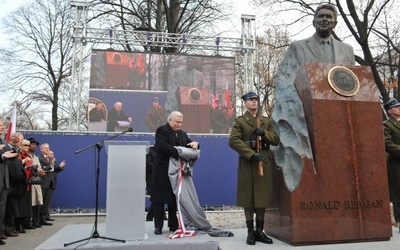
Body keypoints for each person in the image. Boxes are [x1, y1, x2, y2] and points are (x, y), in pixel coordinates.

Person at [271, 3, 355, 191]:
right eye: (321, 16)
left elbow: (352, 82)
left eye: (328, 16)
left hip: (338, 116)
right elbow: (283, 76)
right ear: (314, 21)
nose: (324, 19)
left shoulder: (347, 50)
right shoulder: (298, 47)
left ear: (335, 22)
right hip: (306, 116)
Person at [229, 91, 280, 245]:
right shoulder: (240, 121)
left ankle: (260, 231)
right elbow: (233, 141)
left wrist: (263, 133)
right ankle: (250, 231)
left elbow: (276, 140)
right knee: (249, 198)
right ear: (245, 103)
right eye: (250, 100)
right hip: (248, 163)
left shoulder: (265, 121)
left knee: (262, 197)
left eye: (256, 100)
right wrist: (251, 154)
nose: (254, 102)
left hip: (263, 162)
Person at [150, 111, 199, 235]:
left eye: (181, 122)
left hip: (177, 171)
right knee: (159, 199)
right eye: (177, 122)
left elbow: (189, 144)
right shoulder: (161, 130)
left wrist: (196, 144)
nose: (179, 124)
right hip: (162, 170)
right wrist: (179, 152)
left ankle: (173, 224)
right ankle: (158, 226)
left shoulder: (182, 134)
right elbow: (162, 147)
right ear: (170, 120)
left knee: (174, 198)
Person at [3, 132, 25, 238]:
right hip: (7, 183)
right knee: (6, 209)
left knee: (11, 209)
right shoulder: (5, 148)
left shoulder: (17, 150)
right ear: (14, 138)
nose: (22, 141)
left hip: (15, 185)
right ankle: (5, 230)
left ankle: (8, 229)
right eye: (21, 139)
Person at [0, 121, 18, 245]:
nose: (2, 127)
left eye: (2, 125)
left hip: (4, 181)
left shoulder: (3, 142)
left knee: (2, 210)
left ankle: (1, 232)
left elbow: (10, 153)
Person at [383, 98, 400, 232]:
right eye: (397, 107)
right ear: (390, 111)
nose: (399, 108)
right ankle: (399, 219)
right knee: (398, 192)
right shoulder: (387, 125)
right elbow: (387, 144)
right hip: (396, 163)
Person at [38, 143, 65, 226]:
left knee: (46, 202)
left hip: (51, 182)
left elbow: (55, 170)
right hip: (43, 182)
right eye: (46, 148)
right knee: (41, 202)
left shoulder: (50, 158)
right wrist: (51, 165)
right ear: (41, 150)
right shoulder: (39, 158)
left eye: (48, 148)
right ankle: (39, 219)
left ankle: (44, 218)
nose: (48, 150)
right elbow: (41, 169)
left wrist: (60, 167)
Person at [26, 138, 43, 229]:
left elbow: (39, 168)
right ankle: (28, 221)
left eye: (35, 145)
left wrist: (41, 172)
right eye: (32, 144)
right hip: (29, 182)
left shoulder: (35, 157)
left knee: (38, 202)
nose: (34, 146)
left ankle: (36, 221)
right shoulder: (26, 156)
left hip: (36, 182)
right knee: (30, 203)